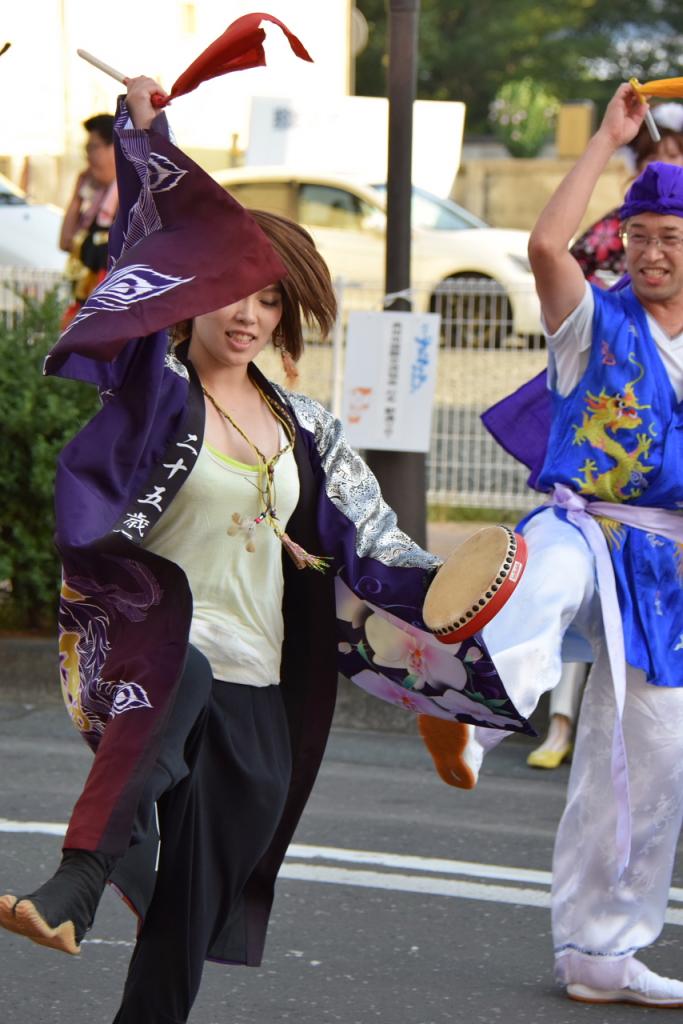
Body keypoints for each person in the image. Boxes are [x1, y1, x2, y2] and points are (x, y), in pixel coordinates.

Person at [0, 76, 527, 1023]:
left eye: (269, 300)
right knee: (182, 673)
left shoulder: (307, 428)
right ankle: (73, 881)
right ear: (192, 299)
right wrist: (144, 137)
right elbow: (143, 248)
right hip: (140, 656)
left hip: (260, 685)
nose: (246, 314)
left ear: (287, 314)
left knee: (186, 922)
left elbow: (374, 546)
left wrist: (450, 589)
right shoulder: (156, 390)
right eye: (230, 291)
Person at [420, 82, 683, 1007]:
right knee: (541, 577)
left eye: (670, 239)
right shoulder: (591, 324)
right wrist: (609, 142)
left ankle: (600, 952)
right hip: (584, 521)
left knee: (648, 761)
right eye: (640, 235)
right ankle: (468, 706)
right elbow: (542, 245)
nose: (650, 252)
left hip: (666, 567)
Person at [570, 103, 683, 286]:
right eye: (652, 158)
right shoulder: (617, 221)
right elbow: (569, 263)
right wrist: (608, 302)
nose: (653, 255)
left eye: (672, 155)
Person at [59, 113, 118, 328]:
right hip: (84, 313)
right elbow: (65, 242)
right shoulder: (97, 201)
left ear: (115, 149)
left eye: (93, 148)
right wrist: (76, 197)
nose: (88, 157)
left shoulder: (128, 202)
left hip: (107, 319)